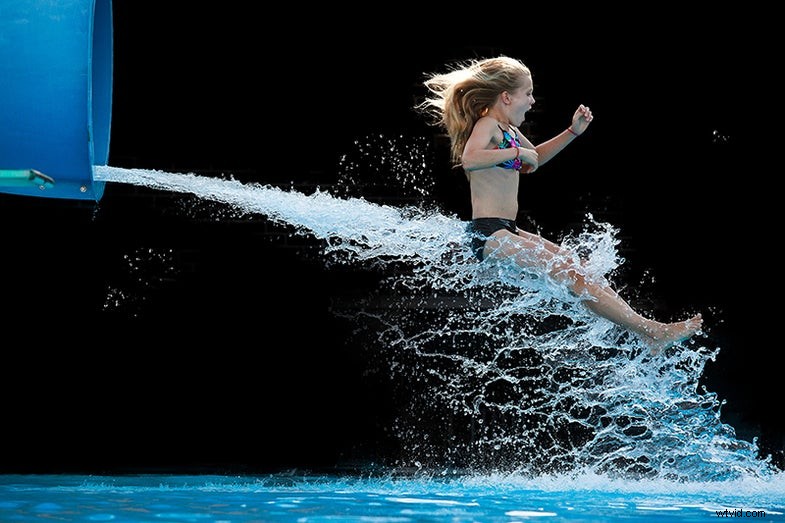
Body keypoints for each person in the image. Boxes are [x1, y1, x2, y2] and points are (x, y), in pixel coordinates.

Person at [418, 56, 701, 354]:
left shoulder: (509, 132)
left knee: (579, 267)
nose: (532, 101)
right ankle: (652, 332)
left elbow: (534, 159)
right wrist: (517, 153)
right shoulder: (488, 124)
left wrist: (572, 132)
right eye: (527, 93)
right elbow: (471, 159)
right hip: (488, 233)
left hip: (508, 230)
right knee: (572, 274)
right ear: (506, 96)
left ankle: (644, 332)